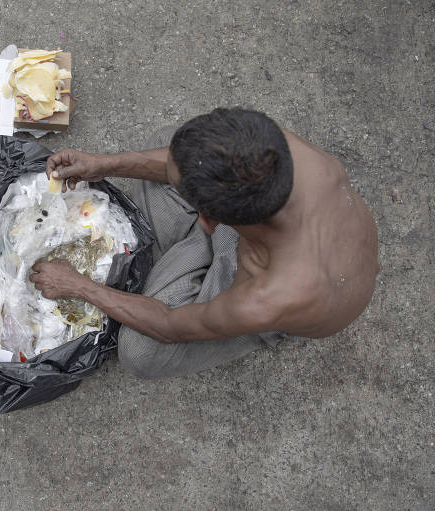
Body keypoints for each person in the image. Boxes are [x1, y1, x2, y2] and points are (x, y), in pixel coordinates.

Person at [28, 108, 379, 379]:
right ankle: (191, 255)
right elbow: (177, 163)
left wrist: (77, 285)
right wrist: (104, 165)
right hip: (255, 236)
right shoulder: (283, 152)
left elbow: (167, 325)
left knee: (138, 352)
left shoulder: (270, 298)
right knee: (171, 150)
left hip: (260, 289)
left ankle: (191, 261)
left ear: (207, 220)